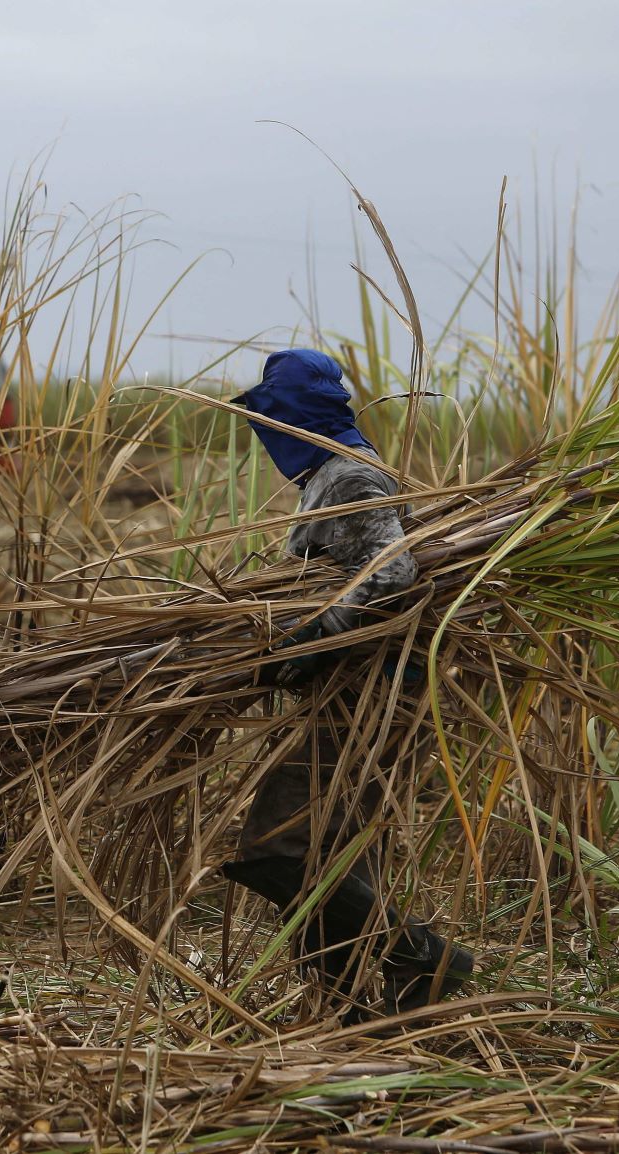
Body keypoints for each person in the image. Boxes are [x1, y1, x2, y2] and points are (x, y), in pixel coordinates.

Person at [222, 348, 473, 1022]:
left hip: (373, 690)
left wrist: (313, 635)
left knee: (275, 848)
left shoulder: (354, 477)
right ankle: (344, 1011)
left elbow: (393, 573)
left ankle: (425, 958)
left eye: (271, 413)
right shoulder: (328, 476)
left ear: (292, 415)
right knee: (331, 851)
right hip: (358, 689)